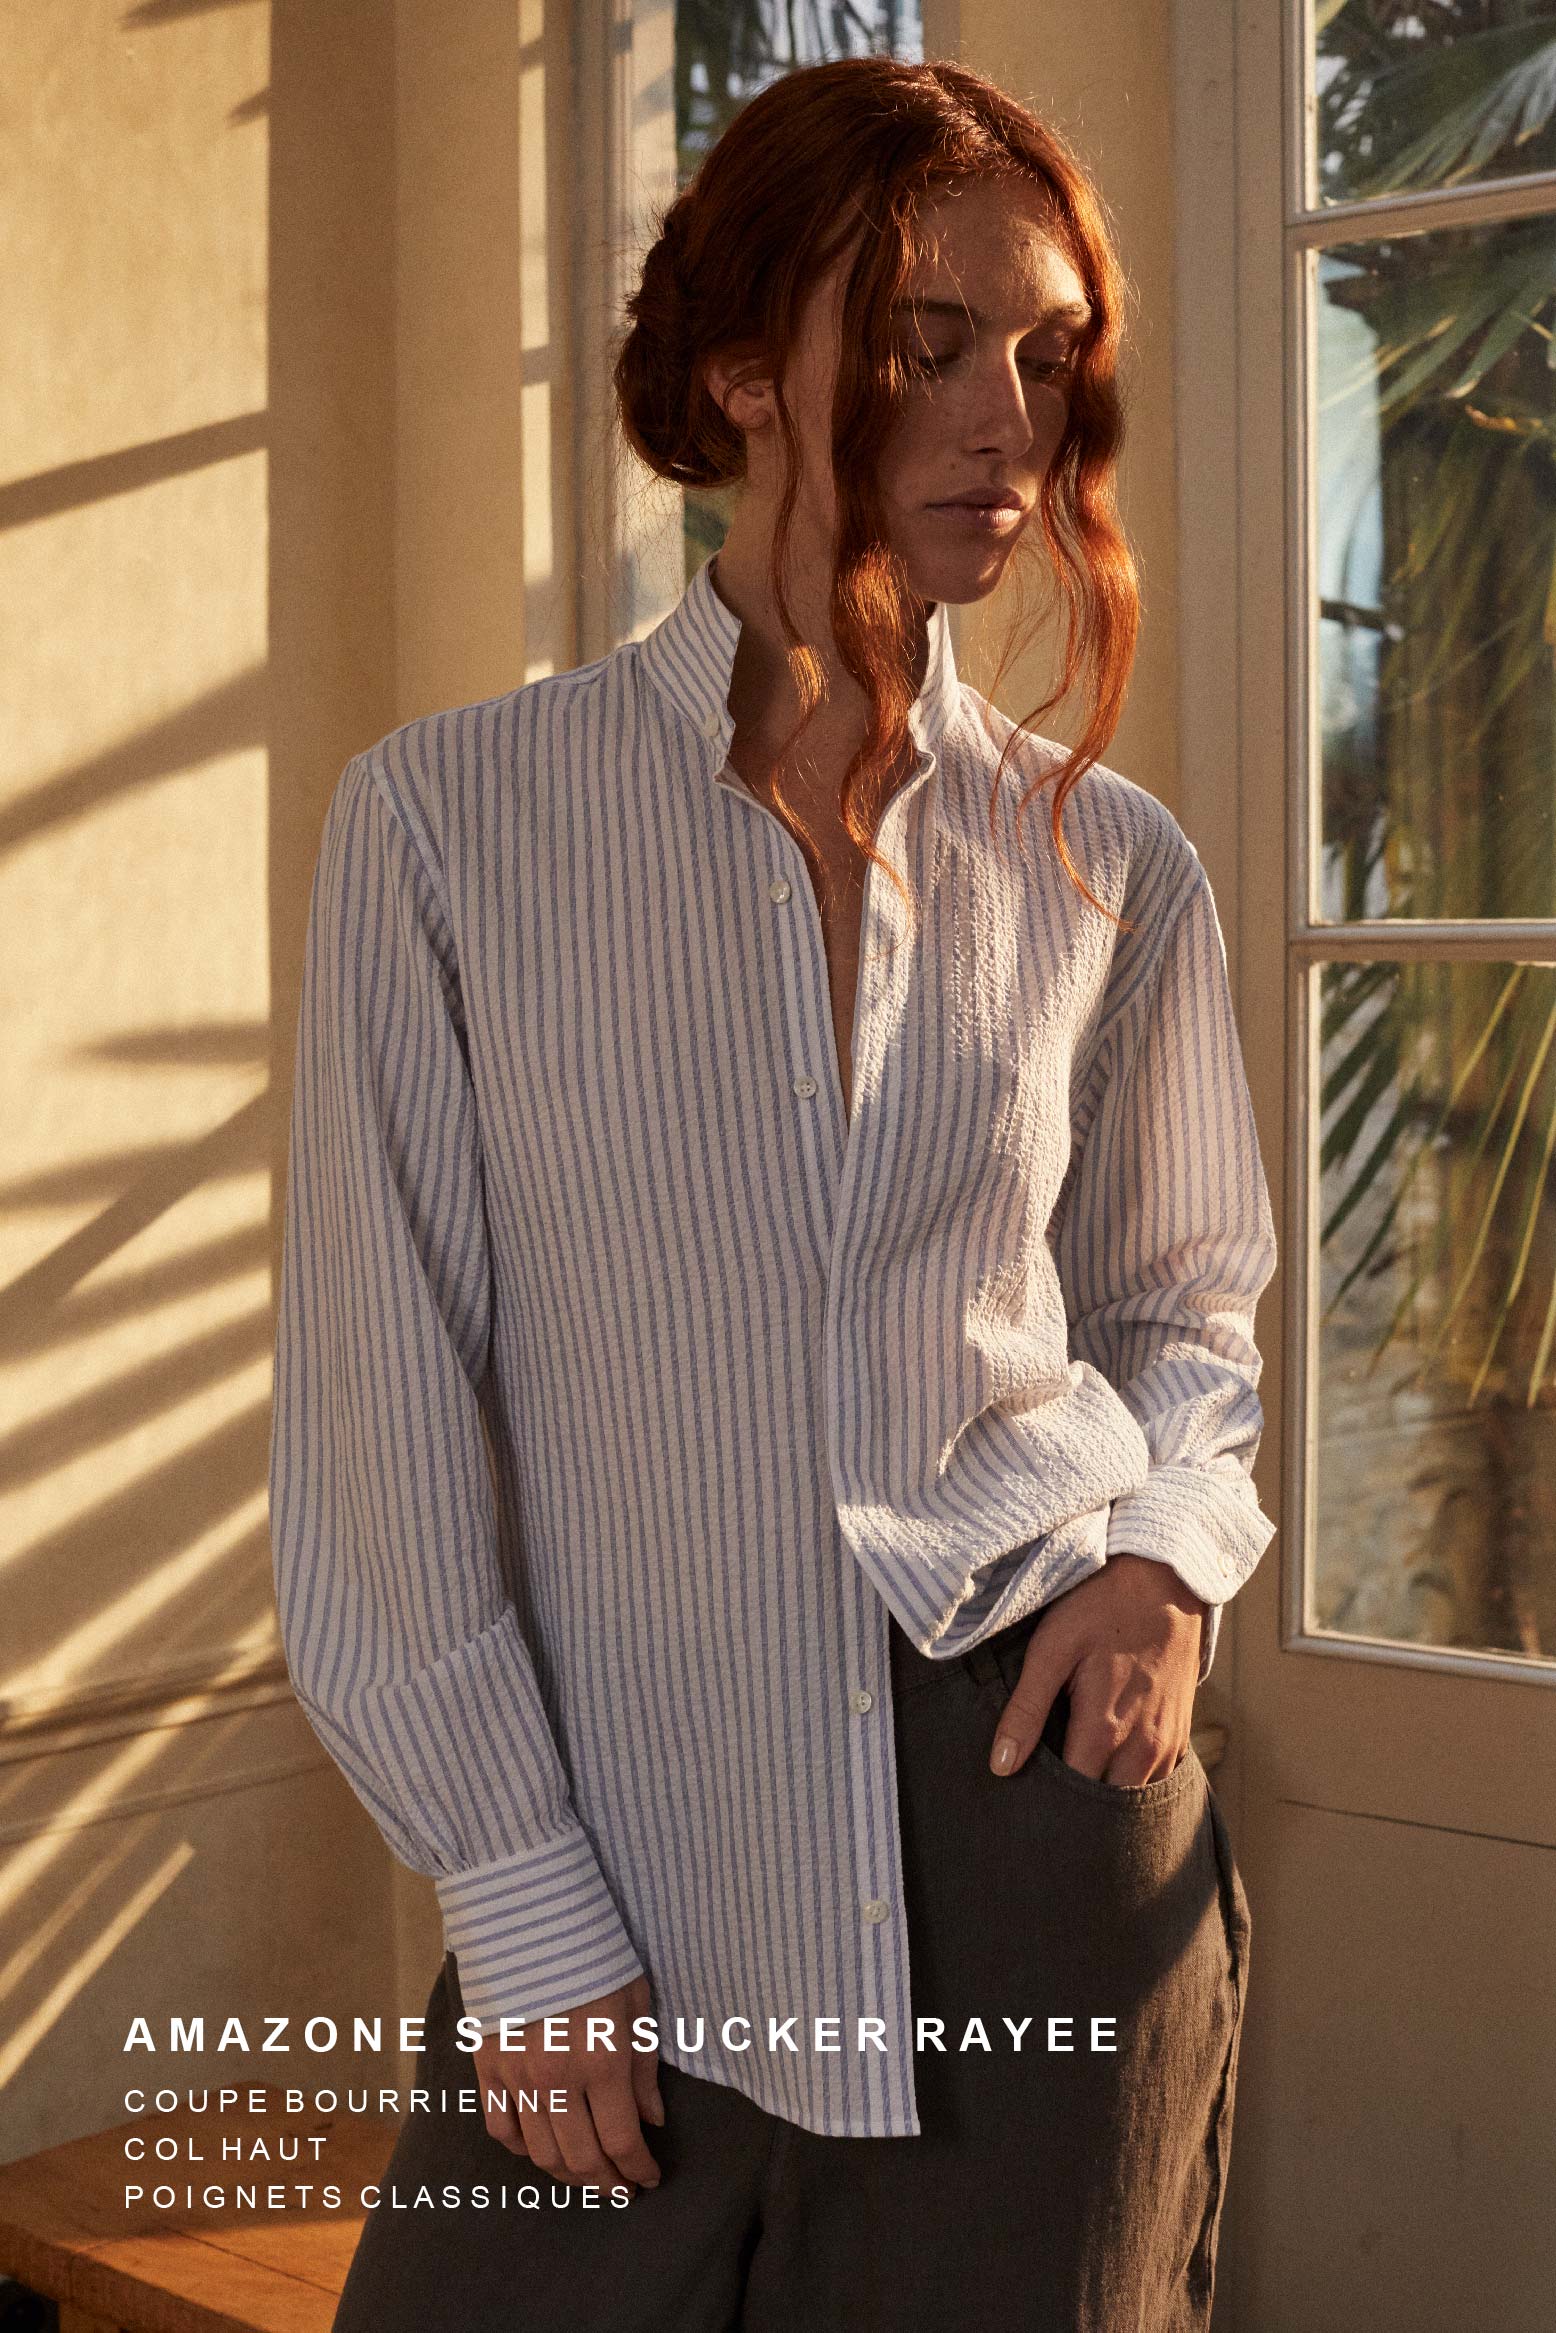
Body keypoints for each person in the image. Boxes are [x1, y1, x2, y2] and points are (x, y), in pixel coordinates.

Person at [268, 52, 1275, 2333]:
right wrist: (521, 1906)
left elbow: (1183, 1311)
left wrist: (1162, 1560)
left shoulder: (1112, 865)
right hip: (619, 1859)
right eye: (932, 341)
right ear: (743, 370)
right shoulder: (445, 833)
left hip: (1037, 1850)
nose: (1010, 420)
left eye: (1047, 356)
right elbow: (379, 1416)